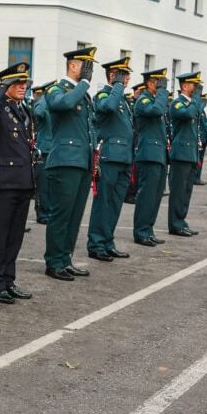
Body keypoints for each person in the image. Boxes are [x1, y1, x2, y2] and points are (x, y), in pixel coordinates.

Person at [0, 62, 36, 304]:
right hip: (4, 183)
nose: (23, 87)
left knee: (15, 236)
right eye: (17, 83)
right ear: (6, 86)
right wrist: (0, 88)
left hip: (23, 181)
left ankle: (8, 280)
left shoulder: (23, 109)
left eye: (25, 83)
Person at [43, 47, 96, 281]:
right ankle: (54, 262)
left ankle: (65, 259)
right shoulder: (57, 89)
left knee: (75, 215)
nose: (88, 71)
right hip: (64, 161)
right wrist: (84, 82)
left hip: (82, 161)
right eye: (85, 66)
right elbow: (62, 105)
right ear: (72, 66)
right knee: (61, 215)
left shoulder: (82, 93)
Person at [86, 57, 133, 261]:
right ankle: (96, 244)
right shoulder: (104, 95)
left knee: (115, 203)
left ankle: (107, 241)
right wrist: (116, 86)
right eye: (123, 75)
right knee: (103, 202)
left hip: (123, 157)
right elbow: (109, 108)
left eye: (127, 75)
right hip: (109, 156)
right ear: (113, 76)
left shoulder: (121, 98)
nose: (127, 79)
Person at [132, 68, 169, 247]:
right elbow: (157, 111)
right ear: (149, 83)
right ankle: (141, 231)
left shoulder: (155, 100)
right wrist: (162, 92)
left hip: (159, 153)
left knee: (156, 195)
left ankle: (149, 229)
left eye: (161, 83)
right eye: (157, 82)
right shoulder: (143, 100)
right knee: (147, 195)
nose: (160, 86)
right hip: (148, 153)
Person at [166, 72, 204, 237]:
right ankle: (175, 224)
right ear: (184, 86)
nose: (196, 89)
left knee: (187, 191)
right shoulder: (177, 103)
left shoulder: (191, 104)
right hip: (180, 153)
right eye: (193, 85)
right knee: (178, 192)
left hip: (190, 153)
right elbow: (188, 114)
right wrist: (196, 99)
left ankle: (182, 221)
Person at [31, 81, 54, 225]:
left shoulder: (55, 105)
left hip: (56, 150)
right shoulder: (42, 103)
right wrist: (46, 97)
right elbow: (37, 112)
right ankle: (42, 213)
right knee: (43, 185)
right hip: (44, 150)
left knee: (53, 185)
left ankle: (51, 210)